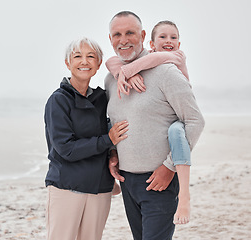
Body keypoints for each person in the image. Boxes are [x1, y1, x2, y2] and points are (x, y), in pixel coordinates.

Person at [105, 11, 205, 239]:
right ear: (110, 39)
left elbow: (194, 121)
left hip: (159, 181)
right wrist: (112, 154)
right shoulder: (111, 79)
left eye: (130, 33)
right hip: (127, 181)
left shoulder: (166, 71)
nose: (124, 40)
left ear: (142, 35)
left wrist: (169, 167)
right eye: (117, 34)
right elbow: (111, 122)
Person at [44, 37, 129, 240]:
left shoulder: (101, 98)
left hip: (100, 189)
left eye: (91, 56)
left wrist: (113, 154)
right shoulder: (58, 100)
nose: (84, 61)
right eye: (78, 56)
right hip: (67, 186)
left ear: (98, 64)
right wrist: (108, 140)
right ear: (68, 63)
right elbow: (66, 149)